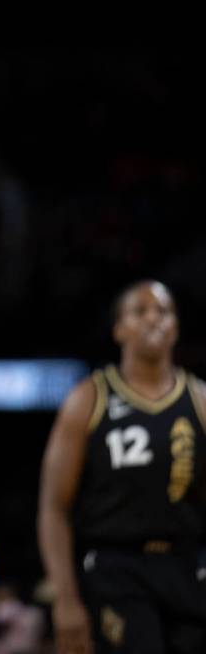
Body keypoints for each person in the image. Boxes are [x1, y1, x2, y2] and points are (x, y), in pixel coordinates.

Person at [38, 279, 206, 654]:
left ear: (176, 326)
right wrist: (65, 599)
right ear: (120, 329)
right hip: (114, 569)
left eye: (163, 311)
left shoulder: (199, 400)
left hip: (185, 566)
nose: (153, 319)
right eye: (140, 311)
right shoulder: (88, 399)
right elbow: (53, 509)